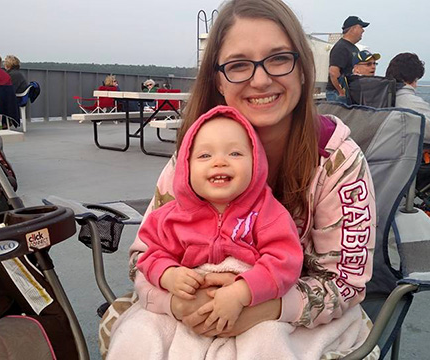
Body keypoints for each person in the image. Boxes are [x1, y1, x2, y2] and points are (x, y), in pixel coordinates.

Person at [104, 0, 377, 359]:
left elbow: (345, 283)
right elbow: (144, 253)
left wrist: (260, 308)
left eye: (279, 58)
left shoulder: (337, 161)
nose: (261, 79)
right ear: (217, 78)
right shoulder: (193, 155)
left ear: (302, 66)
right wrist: (177, 303)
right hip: (191, 301)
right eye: (238, 65)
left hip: (287, 311)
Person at [134, 105, 303, 352]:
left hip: (251, 304)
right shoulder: (170, 216)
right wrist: (168, 274)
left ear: (256, 162)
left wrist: (241, 292)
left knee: (268, 341)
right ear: (185, 168)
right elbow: (150, 254)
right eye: (204, 156)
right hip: (187, 302)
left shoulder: (268, 212)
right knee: (140, 333)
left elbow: (285, 261)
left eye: (235, 153)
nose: (220, 162)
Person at [386, 52, 430, 142]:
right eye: (416, 80)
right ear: (412, 78)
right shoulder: (412, 103)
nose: (416, 85)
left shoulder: (380, 98)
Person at [326, 16, 369, 103]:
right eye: (361, 27)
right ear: (353, 29)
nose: (363, 30)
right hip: (337, 95)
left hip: (349, 93)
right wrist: (341, 91)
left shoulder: (354, 48)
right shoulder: (341, 47)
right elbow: (333, 72)